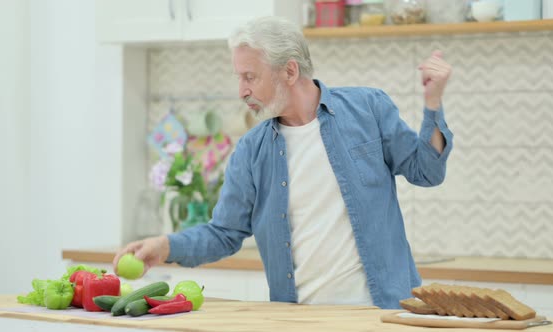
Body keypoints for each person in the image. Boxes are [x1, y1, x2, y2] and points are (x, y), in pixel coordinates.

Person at [114, 16, 453, 309]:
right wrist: (165, 246)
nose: (241, 91)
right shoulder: (251, 150)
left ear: (290, 70)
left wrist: (433, 102)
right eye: (239, 77)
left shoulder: (367, 108)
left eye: (250, 77)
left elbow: (427, 171)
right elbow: (224, 233)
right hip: (298, 317)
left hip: (381, 311)